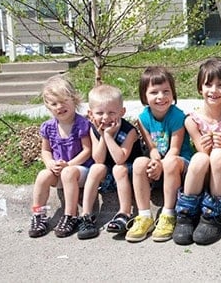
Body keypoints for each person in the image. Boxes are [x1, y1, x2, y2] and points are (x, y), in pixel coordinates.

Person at [125, 66, 193, 242]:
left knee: (170, 163)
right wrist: (155, 162)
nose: (161, 97)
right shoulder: (143, 118)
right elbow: (152, 148)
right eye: (154, 92)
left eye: (166, 91)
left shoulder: (178, 116)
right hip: (160, 164)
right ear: (144, 96)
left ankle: (168, 214)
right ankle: (144, 215)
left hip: (179, 165)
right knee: (140, 162)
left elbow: (174, 150)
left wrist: (161, 165)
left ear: (173, 93)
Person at [173, 57, 221, 246]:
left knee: (218, 154)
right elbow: (202, 151)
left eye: (220, 85)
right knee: (200, 157)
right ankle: (185, 214)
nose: (214, 90)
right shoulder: (192, 120)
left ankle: (212, 215)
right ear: (200, 88)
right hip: (204, 173)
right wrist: (205, 146)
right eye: (208, 85)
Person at [28, 76, 93, 238]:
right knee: (42, 175)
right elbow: (46, 150)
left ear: (74, 99)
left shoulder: (81, 124)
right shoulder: (48, 127)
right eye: (54, 104)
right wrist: (50, 163)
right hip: (60, 171)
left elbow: (87, 150)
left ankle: (70, 215)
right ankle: (38, 215)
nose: (59, 107)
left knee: (67, 173)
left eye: (64, 101)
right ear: (47, 106)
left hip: (81, 171)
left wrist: (69, 164)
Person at [77, 84, 143, 240]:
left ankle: (124, 213)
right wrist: (101, 135)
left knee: (118, 168)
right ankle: (86, 216)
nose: (105, 118)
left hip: (129, 172)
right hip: (108, 174)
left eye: (111, 112)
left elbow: (120, 158)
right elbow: (98, 159)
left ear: (122, 112)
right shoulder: (93, 130)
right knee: (96, 168)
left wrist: (108, 136)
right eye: (100, 113)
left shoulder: (130, 131)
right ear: (90, 113)